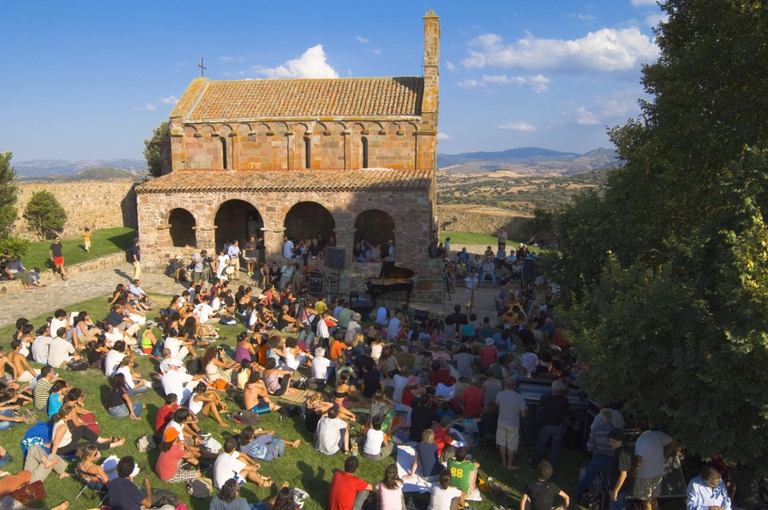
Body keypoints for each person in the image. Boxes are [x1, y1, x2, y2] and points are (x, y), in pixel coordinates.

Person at [632, 418, 678, 510]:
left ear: (638, 428)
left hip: (645, 474)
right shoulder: (658, 435)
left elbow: (639, 458)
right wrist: (666, 455)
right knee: (654, 498)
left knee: (646, 500)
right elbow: (674, 442)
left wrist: (635, 468)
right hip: (658, 472)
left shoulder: (641, 440)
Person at [575, 408, 617, 500]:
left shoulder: (596, 430)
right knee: (613, 480)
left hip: (597, 457)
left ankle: (578, 494)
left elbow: (590, 447)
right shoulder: (616, 431)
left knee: (588, 477)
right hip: (612, 458)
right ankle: (613, 498)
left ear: (602, 419)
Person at [51, 404, 124, 457]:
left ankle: (99, 439)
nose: (73, 414)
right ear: (66, 415)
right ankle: (113, 445)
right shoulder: (62, 427)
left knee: (81, 428)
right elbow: (56, 443)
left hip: (68, 441)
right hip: (64, 448)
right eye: (72, 413)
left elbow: (55, 437)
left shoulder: (60, 419)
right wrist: (52, 457)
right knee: (88, 445)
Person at [530, 380, 569, 472]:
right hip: (558, 426)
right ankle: (553, 468)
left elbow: (541, 409)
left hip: (546, 424)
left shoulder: (545, 398)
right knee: (555, 448)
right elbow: (566, 413)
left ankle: (535, 462)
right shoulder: (565, 401)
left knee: (541, 445)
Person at [496, 376, 527, 470]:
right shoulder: (519, 397)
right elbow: (523, 414)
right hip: (513, 424)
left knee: (502, 442)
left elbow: (497, 406)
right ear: (515, 386)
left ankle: (504, 462)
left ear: (505, 385)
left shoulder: (500, 394)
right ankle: (509, 464)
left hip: (501, 421)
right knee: (512, 444)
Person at [608, 429, 633, 510]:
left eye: (614, 442)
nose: (611, 444)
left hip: (618, 487)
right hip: (624, 487)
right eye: (610, 441)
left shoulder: (620, 454)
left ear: (621, 440)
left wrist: (615, 491)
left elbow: (623, 474)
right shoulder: (625, 449)